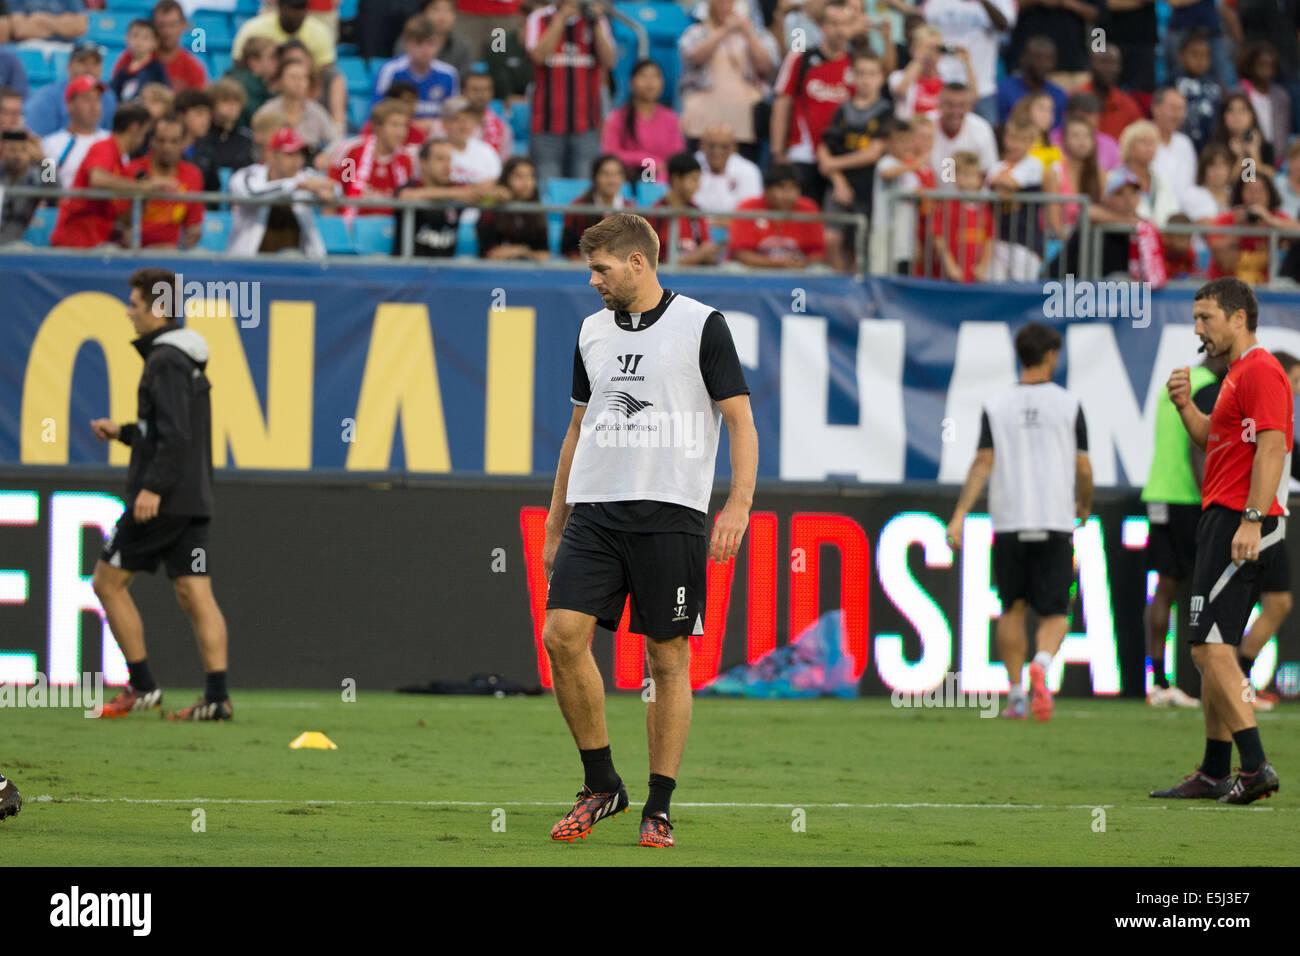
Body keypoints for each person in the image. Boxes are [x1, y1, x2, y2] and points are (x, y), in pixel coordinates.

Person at [542, 212, 757, 847]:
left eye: (601, 269)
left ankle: (658, 806)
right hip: (596, 511)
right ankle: (601, 783)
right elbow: (577, 430)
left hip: (672, 513)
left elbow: (740, 423)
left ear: (638, 262)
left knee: (666, 658)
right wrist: (557, 521)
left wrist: (738, 504)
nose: (593, 282)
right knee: (561, 637)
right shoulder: (589, 332)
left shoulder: (702, 325)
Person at [1151, 277, 1287, 803]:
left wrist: (1251, 519)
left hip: (1240, 517)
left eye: (1206, 317)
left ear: (1238, 318)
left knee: (1207, 647)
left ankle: (1252, 766)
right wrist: (1187, 407)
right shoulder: (1235, 374)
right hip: (1224, 515)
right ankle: (1212, 772)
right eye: (1196, 317)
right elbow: (1216, 439)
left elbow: (1272, 449)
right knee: (1211, 645)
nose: (1198, 328)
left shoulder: (1261, 369)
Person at [89, 268, 230, 722]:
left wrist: (151, 487)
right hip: (193, 499)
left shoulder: (164, 360)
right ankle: (217, 697)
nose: (129, 312)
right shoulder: (185, 357)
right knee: (195, 591)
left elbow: (175, 435)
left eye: (134, 304)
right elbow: (166, 431)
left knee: (107, 582)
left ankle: (143, 685)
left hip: (163, 500)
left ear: (160, 308)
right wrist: (125, 432)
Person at [946, 322, 1092, 721]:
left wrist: (959, 516)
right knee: (1056, 611)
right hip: (1054, 520)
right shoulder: (1069, 404)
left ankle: (1014, 696)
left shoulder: (998, 405)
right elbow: (1083, 466)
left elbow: (983, 461)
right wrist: (1085, 503)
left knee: (1011, 608)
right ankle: (1041, 666)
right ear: (1051, 356)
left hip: (1009, 521)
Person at [1141, 354, 1225, 707]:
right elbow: (1198, 445)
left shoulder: (1178, 378)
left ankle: (1159, 681)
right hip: (1189, 495)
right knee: (1206, 587)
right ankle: (1212, 678)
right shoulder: (1207, 387)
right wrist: (1212, 497)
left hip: (1160, 492)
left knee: (1166, 586)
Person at [1236, 348, 1300, 710]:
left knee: (1278, 602)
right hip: (1261, 519)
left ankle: (1241, 679)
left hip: (1272, 519)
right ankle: (1234, 683)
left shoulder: (1281, 414)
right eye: (1294, 380)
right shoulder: (1262, 408)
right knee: (1245, 606)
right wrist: (1252, 517)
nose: (1297, 388)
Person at [771, 0, 856, 204]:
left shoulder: (857, 65)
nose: (840, 30)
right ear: (822, 26)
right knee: (804, 219)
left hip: (842, 158)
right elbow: (782, 104)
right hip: (803, 155)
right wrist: (777, 152)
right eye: (834, 24)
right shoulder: (800, 59)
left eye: (845, 24)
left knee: (836, 229)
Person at [50, 103, 169, 247]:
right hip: (72, 236)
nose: (144, 140)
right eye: (145, 133)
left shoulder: (121, 160)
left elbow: (120, 217)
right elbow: (97, 179)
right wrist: (142, 186)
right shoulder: (54, 142)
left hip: (94, 239)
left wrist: (144, 196)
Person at [525, 0, 616, 183]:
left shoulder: (597, 20)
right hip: (546, 126)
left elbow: (609, 61)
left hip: (586, 127)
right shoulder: (539, 17)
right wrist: (561, 19)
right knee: (548, 191)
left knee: (583, 192)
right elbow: (538, 56)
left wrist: (596, 24)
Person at [677, 0, 778, 163]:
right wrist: (724, 31)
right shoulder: (696, 32)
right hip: (702, 119)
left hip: (744, 121)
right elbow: (694, 57)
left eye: (730, 3)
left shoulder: (759, 34)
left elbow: (767, 66)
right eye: (720, 3)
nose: (725, 7)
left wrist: (748, 34)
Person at [819, 49, 890, 271]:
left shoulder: (885, 111)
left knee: (859, 245)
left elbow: (873, 153)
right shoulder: (842, 110)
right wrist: (838, 180)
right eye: (860, 73)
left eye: (871, 74)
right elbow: (824, 147)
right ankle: (837, 286)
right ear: (852, 76)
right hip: (839, 186)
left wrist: (833, 164)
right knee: (832, 238)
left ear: (881, 78)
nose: (865, 79)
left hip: (868, 187)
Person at [226, 127, 339, 255]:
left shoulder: (304, 177)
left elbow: (335, 188)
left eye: (300, 154)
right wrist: (298, 186)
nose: (297, 160)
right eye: (290, 154)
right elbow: (253, 193)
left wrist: (328, 191)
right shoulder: (248, 174)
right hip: (249, 263)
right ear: (272, 155)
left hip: (298, 265)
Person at [918, 0, 1013, 125]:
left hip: (982, 86)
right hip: (942, 83)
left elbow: (1005, 26)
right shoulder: (936, 2)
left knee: (985, 135)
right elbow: (924, 28)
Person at [122, 113, 204, 249]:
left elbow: (193, 224)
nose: (167, 147)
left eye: (174, 141)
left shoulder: (193, 175)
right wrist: (145, 193)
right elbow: (120, 222)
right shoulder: (131, 170)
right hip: (135, 253)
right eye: (161, 140)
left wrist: (194, 233)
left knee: (203, 257)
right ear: (151, 141)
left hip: (173, 255)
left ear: (184, 143)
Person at [392, 138, 484, 257]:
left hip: (446, 272)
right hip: (409, 271)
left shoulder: (457, 188)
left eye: (449, 160)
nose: (447, 166)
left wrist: (501, 193)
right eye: (440, 159)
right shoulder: (411, 187)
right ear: (423, 163)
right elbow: (405, 196)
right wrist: (455, 194)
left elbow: (485, 195)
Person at [601, 59, 685, 182]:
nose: (649, 82)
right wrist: (647, 160)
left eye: (655, 77)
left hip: (662, 180)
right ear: (631, 83)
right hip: (626, 178)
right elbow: (610, 153)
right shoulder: (617, 117)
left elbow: (677, 154)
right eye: (643, 76)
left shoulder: (670, 118)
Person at [986, 116, 1049, 280]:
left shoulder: (1034, 164)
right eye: (1013, 138)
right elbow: (994, 183)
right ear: (1005, 137)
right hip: (998, 239)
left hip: (1025, 242)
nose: (1016, 144)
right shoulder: (996, 166)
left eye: (1023, 140)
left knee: (1022, 289)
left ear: (1031, 142)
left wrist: (1002, 186)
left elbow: (1010, 182)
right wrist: (1004, 187)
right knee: (995, 286)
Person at [730, 161, 826, 268]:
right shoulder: (748, 208)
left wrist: (801, 263)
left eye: (793, 188)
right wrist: (778, 264)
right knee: (734, 268)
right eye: (781, 187)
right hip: (756, 272)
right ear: (766, 190)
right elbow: (740, 254)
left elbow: (818, 254)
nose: (788, 194)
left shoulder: (809, 209)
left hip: (797, 273)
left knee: (819, 269)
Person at [371, 15, 460, 128]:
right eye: (419, 43)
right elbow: (377, 112)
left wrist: (434, 125)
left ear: (440, 44)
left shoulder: (449, 74)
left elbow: (453, 116)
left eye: (431, 43)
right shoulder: (390, 70)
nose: (425, 49)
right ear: (406, 43)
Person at [331, 100, 416, 217]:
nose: (400, 132)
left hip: (392, 230)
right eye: (394, 125)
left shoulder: (407, 160)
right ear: (378, 127)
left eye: (404, 126)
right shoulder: (352, 152)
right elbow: (333, 192)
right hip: (352, 227)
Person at [1207, 172, 1294, 283]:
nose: (1255, 196)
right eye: (1250, 191)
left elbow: (1296, 230)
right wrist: (1238, 229)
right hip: (1227, 291)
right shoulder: (1225, 220)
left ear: (1269, 194)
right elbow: (1225, 263)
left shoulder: (1274, 218)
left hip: (1265, 293)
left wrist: (1271, 222)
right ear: (1240, 194)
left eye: (1260, 190)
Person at [925, 150, 993, 281]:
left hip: (975, 277)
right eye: (965, 175)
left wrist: (983, 267)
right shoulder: (946, 206)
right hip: (950, 277)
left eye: (974, 175)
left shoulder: (984, 208)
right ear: (955, 176)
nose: (970, 180)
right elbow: (939, 238)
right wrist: (950, 266)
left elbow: (989, 239)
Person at [24, 43, 117, 138]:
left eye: (95, 63)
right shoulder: (46, 98)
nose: (89, 68)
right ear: (69, 66)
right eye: (83, 62)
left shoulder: (108, 96)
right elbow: (37, 141)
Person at [869, 117, 925, 275]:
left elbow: (918, 197)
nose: (905, 145)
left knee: (902, 275)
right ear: (888, 143)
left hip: (905, 236)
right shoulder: (886, 162)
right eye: (900, 140)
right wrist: (915, 163)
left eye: (908, 140)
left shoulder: (912, 175)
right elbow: (887, 173)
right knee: (881, 275)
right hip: (885, 232)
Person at [647, 152, 722, 266]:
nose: (698, 186)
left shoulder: (696, 213)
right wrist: (697, 256)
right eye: (693, 180)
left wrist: (709, 254)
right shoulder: (656, 215)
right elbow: (653, 264)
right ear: (676, 179)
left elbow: (705, 250)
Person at [1006, 0, 1097, 92]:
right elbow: (1006, 11)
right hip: (1027, 70)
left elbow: (1097, 14)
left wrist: (1065, 2)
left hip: (1072, 67)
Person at [254, 57, 338, 155]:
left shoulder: (316, 110)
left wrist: (325, 156)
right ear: (280, 81)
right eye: (293, 77)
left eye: (304, 78)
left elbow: (335, 140)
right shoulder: (267, 111)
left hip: (310, 165)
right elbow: (256, 144)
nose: (299, 83)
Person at [476, 154, 551, 260]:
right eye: (519, 176)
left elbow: (544, 254)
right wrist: (525, 251)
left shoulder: (537, 211)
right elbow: (490, 254)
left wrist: (519, 251)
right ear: (506, 179)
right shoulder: (491, 209)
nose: (526, 182)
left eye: (531, 176)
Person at [41, 74, 108, 188]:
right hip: (65, 204)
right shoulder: (50, 144)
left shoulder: (112, 141)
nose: (93, 106)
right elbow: (47, 185)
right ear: (69, 105)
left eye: (97, 99)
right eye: (87, 99)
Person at [191, 79, 255, 194]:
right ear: (212, 105)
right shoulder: (200, 136)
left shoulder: (247, 138)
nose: (232, 106)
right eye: (225, 101)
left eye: (236, 101)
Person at [233, 0, 336, 70]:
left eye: (300, 9)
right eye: (292, 9)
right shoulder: (254, 29)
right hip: (262, 87)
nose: (296, 15)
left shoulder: (319, 32)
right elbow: (238, 65)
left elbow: (327, 70)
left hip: (305, 90)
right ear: (280, 8)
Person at [561, 152, 627, 258]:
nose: (611, 180)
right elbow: (569, 250)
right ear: (595, 177)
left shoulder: (632, 210)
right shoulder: (578, 209)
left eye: (616, 174)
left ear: (623, 178)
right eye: (605, 174)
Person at [1116, 120, 1181, 226]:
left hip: (1161, 238)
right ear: (1129, 146)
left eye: (1153, 143)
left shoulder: (1162, 180)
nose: (1150, 148)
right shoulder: (1116, 179)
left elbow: (1173, 211)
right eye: (1143, 142)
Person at [931, 82, 999, 179]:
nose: (955, 111)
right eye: (950, 105)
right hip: (927, 193)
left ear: (970, 107)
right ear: (939, 104)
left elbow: (989, 172)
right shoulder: (925, 125)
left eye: (961, 105)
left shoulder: (982, 128)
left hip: (969, 193)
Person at [996, 36, 1067, 127]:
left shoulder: (1059, 95)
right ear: (1024, 59)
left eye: (1048, 59)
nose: (1044, 64)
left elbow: (1057, 131)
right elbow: (1002, 127)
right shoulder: (1005, 90)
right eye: (1038, 58)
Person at [692, 124, 763, 213]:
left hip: (734, 226)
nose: (717, 152)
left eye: (724, 147)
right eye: (711, 146)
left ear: (735, 147)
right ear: (701, 146)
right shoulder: (690, 167)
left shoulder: (749, 171)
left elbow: (750, 212)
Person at [140, 0, 207, 93]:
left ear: (183, 25)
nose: (167, 32)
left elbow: (198, 104)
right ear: (153, 26)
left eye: (172, 25)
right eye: (161, 25)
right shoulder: (135, 59)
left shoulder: (193, 67)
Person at [1236, 40, 1290, 155]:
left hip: (1275, 154)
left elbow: (1283, 130)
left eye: (1269, 66)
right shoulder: (1240, 92)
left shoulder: (1281, 96)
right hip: (1246, 152)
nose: (1265, 70)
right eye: (1261, 65)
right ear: (1250, 66)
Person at [1175, 29, 1223, 154]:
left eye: (1205, 56)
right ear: (1181, 56)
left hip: (1208, 149)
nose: (1200, 60)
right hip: (1179, 149)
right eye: (1194, 55)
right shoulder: (1172, 84)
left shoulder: (1215, 86)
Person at [1081, 47, 1143, 142]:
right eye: (1103, 62)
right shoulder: (1075, 99)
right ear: (1089, 65)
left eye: (1114, 63)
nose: (1109, 69)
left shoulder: (1128, 105)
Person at [1209, 91, 1275, 179]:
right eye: (1231, 111)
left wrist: (1254, 153)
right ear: (1223, 117)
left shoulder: (1265, 146)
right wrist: (1240, 157)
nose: (1236, 116)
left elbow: (1267, 180)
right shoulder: (1215, 147)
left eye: (1242, 111)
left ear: (1251, 116)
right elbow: (1225, 182)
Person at [0, 129, 49, 243]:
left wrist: (43, 159)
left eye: (23, 150)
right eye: (12, 149)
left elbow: (55, 192)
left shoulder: (36, 174)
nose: (17, 154)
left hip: (27, 241)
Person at [1151, 86, 1197, 202]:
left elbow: (1189, 185)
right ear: (1155, 108)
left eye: (1181, 109)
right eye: (1172, 108)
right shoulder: (1141, 137)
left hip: (1180, 215)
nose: (1176, 115)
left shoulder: (1185, 144)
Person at [111, 19, 171, 104]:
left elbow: (164, 98)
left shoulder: (157, 69)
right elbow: (113, 95)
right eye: (135, 36)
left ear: (155, 42)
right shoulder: (122, 70)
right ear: (127, 39)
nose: (139, 41)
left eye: (145, 37)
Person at [229, 36, 278, 129]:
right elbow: (259, 121)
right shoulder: (243, 86)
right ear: (254, 62)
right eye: (272, 57)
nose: (278, 61)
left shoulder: (264, 84)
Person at [461, 69, 511, 159]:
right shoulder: (452, 124)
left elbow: (503, 163)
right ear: (464, 93)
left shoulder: (502, 128)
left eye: (485, 90)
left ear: (492, 93)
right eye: (475, 90)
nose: (481, 95)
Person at [6, 0, 87, 42]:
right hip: (29, 45)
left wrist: (42, 19)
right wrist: (61, 24)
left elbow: (80, 27)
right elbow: (20, 30)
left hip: (64, 47)